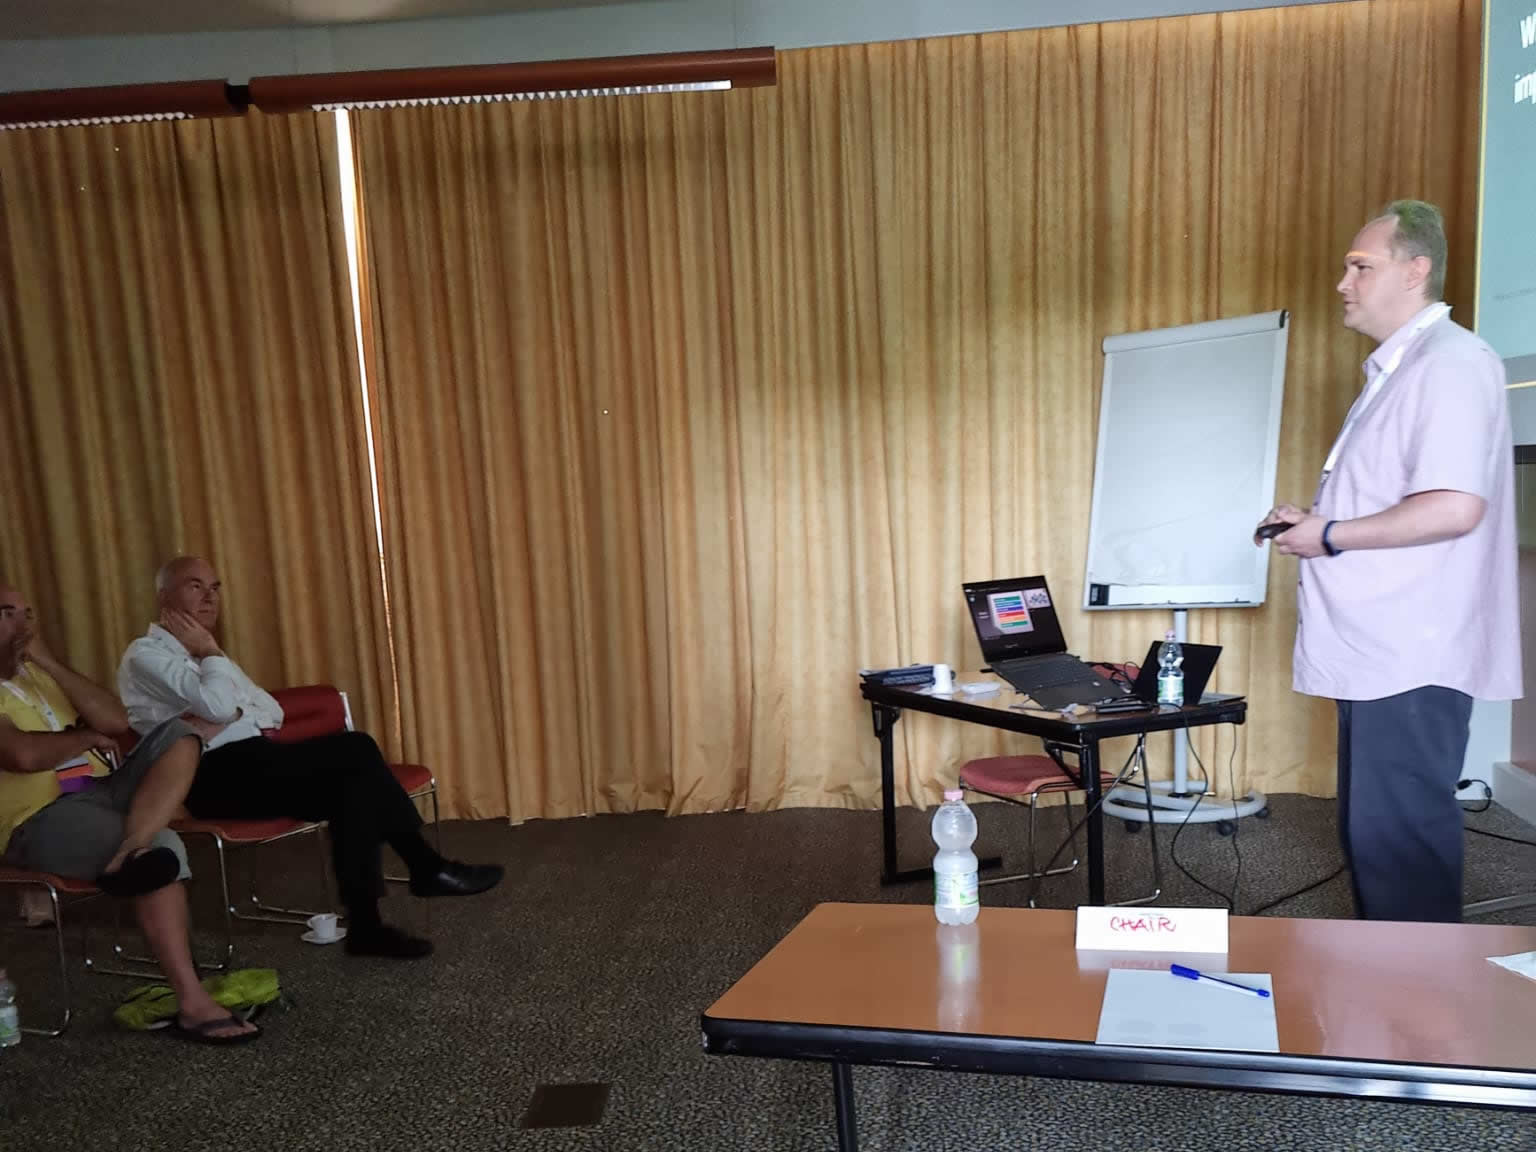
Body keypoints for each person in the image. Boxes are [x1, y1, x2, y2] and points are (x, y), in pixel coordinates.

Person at [1256, 199, 1521, 923]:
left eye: (1360, 267)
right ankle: (1392, 985)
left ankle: (1417, 994)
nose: (1343, 283)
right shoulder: (1405, 367)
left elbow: (1453, 507)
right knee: (1378, 837)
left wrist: (1331, 534)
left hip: (1412, 651)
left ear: (1415, 270)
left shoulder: (1450, 364)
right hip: (1385, 649)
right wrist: (1318, 522)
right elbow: (1400, 496)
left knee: (1400, 846)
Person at [118, 556, 502, 959]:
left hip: (255, 761)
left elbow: (271, 710)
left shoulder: (210, 658)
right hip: (206, 776)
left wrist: (228, 711)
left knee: (351, 791)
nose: (209, 598)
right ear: (164, 596)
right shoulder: (146, 656)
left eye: (215, 588)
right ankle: (425, 868)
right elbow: (218, 705)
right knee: (355, 749)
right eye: (195, 586)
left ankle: (368, 928)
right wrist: (214, 667)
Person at [0, 582, 258, 1043]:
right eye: (7, 614)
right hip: (37, 820)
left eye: (27, 613)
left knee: (180, 733)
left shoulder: (36, 676)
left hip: (98, 791)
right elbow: (21, 754)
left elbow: (115, 721)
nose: (23, 626)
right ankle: (193, 1003)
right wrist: (82, 739)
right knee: (163, 848)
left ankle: (131, 849)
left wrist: (49, 663)